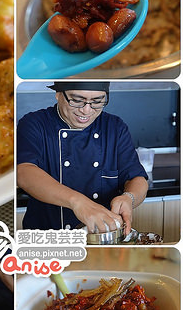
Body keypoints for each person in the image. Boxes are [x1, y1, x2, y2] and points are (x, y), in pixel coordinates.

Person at [17, 81, 148, 233]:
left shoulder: (114, 127)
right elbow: (24, 172)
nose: (86, 110)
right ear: (58, 94)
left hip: (102, 236)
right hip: (48, 237)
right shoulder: (35, 124)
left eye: (97, 102)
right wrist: (77, 202)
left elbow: (137, 178)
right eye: (77, 100)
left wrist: (129, 198)